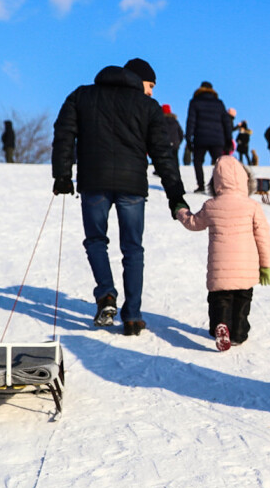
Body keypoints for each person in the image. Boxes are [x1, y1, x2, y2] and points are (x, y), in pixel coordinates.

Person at [52, 57, 187, 336]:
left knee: (95, 241)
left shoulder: (81, 95)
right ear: (138, 80)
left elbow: (64, 133)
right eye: (150, 85)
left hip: (94, 182)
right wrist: (175, 195)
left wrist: (62, 175)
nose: (151, 92)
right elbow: (163, 152)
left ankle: (106, 296)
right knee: (133, 249)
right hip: (132, 187)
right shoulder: (147, 106)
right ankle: (133, 316)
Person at [175, 156, 270, 350]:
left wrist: (181, 211)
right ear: (245, 181)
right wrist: (266, 265)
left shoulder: (211, 205)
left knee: (220, 299)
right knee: (242, 300)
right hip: (247, 267)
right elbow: (264, 237)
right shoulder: (252, 206)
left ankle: (220, 326)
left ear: (215, 182)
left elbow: (193, 223)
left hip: (220, 268)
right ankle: (238, 333)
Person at [186, 80, 233, 193]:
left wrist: (188, 138)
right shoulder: (219, 103)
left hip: (200, 138)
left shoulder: (194, 102)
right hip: (217, 138)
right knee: (219, 163)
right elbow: (226, 122)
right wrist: (228, 139)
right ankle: (219, 187)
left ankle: (201, 185)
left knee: (198, 161)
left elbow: (191, 121)